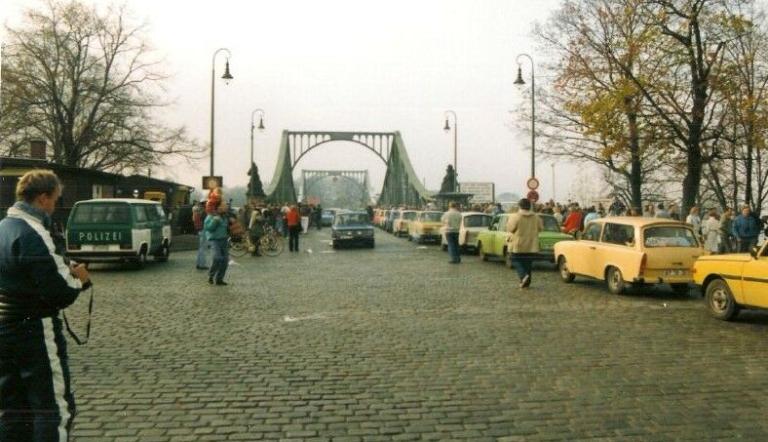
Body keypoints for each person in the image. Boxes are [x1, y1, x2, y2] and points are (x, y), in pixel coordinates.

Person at [0, 170, 92, 440]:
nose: (54, 205)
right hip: (35, 331)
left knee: (13, 411)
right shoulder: (35, 232)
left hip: (4, 328)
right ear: (42, 198)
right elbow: (60, 292)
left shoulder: (3, 227)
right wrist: (80, 280)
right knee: (53, 409)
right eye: (54, 199)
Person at [506, 198, 543, 289]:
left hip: (518, 243)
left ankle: (523, 276)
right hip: (531, 243)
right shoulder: (536, 217)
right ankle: (526, 283)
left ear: (520, 206)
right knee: (528, 263)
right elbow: (541, 228)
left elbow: (510, 229)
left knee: (515, 259)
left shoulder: (515, 216)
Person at [204, 199, 230, 285]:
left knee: (225, 261)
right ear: (218, 207)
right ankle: (211, 275)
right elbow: (208, 228)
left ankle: (219, 279)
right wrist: (215, 221)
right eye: (224, 205)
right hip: (214, 240)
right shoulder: (211, 216)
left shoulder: (225, 216)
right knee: (217, 257)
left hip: (224, 240)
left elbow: (226, 228)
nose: (226, 207)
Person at [192, 201, 208, 270]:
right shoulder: (203, 212)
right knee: (203, 248)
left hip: (199, 229)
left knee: (200, 247)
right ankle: (202, 264)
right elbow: (206, 221)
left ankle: (198, 263)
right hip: (203, 229)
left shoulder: (197, 211)